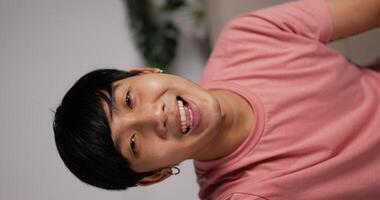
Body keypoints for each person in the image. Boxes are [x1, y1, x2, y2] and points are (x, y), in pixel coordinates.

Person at [53, 0, 380, 199]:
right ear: (156, 175)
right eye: (135, 144)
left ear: (145, 71)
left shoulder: (247, 37)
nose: (155, 117)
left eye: (128, 100)